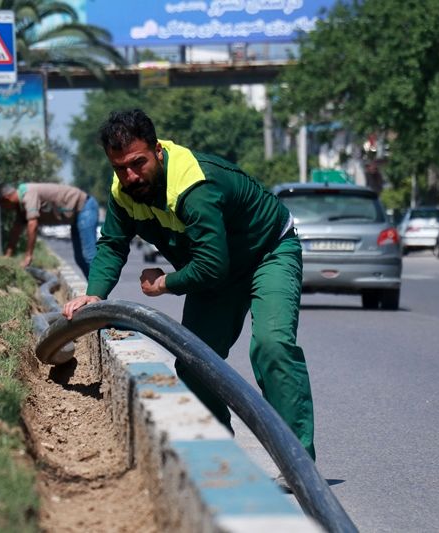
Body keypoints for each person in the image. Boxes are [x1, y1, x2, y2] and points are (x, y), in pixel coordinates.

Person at [62, 109, 315, 460]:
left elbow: (211, 266)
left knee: (272, 346)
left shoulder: (195, 186)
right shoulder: (124, 191)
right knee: (194, 362)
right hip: (219, 270)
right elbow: (113, 243)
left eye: (138, 163)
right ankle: (221, 452)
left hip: (267, 251)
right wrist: (95, 293)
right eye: (121, 168)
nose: (131, 176)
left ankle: (297, 458)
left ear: (158, 152)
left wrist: (165, 282)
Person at [0, 182, 100, 278]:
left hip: (85, 207)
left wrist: (28, 256)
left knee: (89, 256)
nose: (5, 209)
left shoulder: (28, 193)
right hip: (76, 216)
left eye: (3, 206)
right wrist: (8, 254)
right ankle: (95, 293)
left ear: (6, 198)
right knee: (80, 259)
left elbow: (33, 224)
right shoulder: (21, 207)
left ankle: (99, 293)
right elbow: (16, 229)